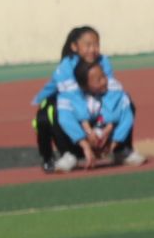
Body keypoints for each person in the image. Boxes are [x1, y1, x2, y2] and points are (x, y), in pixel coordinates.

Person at [32, 26, 116, 169]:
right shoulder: (66, 67)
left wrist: (106, 129)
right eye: (88, 45)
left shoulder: (103, 62)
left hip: (94, 111)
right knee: (46, 115)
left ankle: (121, 150)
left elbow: (112, 93)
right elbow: (73, 99)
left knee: (124, 104)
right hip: (74, 112)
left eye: (96, 45)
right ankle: (63, 155)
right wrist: (88, 132)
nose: (93, 49)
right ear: (74, 47)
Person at [50, 58, 143, 171]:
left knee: (128, 104)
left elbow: (125, 116)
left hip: (107, 137)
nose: (104, 81)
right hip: (79, 140)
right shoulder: (70, 93)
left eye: (103, 76)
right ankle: (70, 155)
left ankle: (120, 151)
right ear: (84, 86)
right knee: (55, 111)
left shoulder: (113, 88)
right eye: (98, 80)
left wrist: (112, 141)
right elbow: (66, 119)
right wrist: (85, 142)